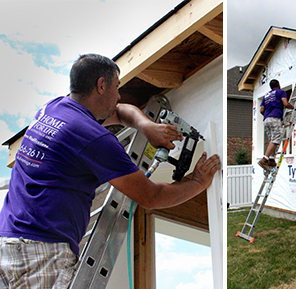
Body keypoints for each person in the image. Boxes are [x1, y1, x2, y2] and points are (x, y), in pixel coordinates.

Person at [0, 54, 220, 288]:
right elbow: (151, 197)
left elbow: (119, 110)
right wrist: (197, 181)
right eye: (116, 87)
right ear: (101, 85)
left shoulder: (52, 109)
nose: (119, 95)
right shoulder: (93, 138)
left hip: (7, 244)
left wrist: (146, 125)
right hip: (45, 253)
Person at [258, 79, 294, 172]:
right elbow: (285, 103)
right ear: (278, 85)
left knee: (272, 140)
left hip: (266, 119)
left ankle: (271, 159)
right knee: (276, 139)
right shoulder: (280, 92)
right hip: (275, 118)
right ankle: (264, 160)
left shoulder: (266, 95)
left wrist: (268, 115)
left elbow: (261, 110)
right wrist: (293, 107)